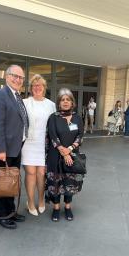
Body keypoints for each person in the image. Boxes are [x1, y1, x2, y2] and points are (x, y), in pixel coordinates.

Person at [0, 65, 28, 229]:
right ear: (6, 76)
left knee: (11, 182)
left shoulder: (17, 96)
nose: (18, 80)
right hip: (4, 150)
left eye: (21, 78)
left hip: (16, 147)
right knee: (1, 184)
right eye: (15, 76)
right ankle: (2, 215)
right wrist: (1, 151)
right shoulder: (0, 95)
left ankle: (11, 211)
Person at [46, 88, 84, 222]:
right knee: (55, 183)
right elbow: (53, 136)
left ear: (72, 102)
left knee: (69, 182)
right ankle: (56, 208)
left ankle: (68, 207)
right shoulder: (53, 118)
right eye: (63, 100)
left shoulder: (77, 118)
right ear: (59, 103)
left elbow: (80, 135)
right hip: (55, 156)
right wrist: (63, 151)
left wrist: (70, 149)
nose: (66, 102)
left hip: (72, 155)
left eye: (68, 99)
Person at [21, 74, 56, 216]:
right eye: (34, 85)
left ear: (44, 87)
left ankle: (41, 199)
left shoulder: (51, 104)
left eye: (40, 85)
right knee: (31, 173)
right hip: (28, 143)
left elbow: (55, 125)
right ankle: (30, 201)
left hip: (44, 144)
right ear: (30, 88)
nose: (37, 88)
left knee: (41, 173)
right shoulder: (24, 102)